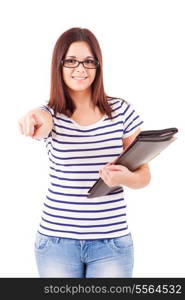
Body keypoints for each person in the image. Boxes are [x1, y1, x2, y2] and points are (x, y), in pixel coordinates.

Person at [18, 27, 151, 278]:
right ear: (58, 66)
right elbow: (41, 122)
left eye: (89, 61)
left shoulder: (121, 111)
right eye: (71, 61)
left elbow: (144, 176)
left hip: (111, 244)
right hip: (57, 244)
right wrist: (33, 119)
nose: (81, 69)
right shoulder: (51, 113)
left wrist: (123, 178)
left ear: (98, 66)